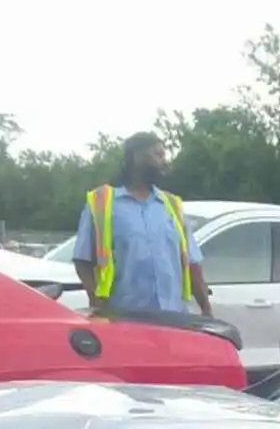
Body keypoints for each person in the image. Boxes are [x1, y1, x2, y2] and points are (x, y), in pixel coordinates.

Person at [74, 132, 214, 317]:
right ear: (136, 157)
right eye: (158, 155)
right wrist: (98, 303)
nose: (164, 162)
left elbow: (192, 264)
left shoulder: (172, 206)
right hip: (125, 319)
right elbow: (82, 260)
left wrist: (206, 309)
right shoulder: (102, 203)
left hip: (173, 317)